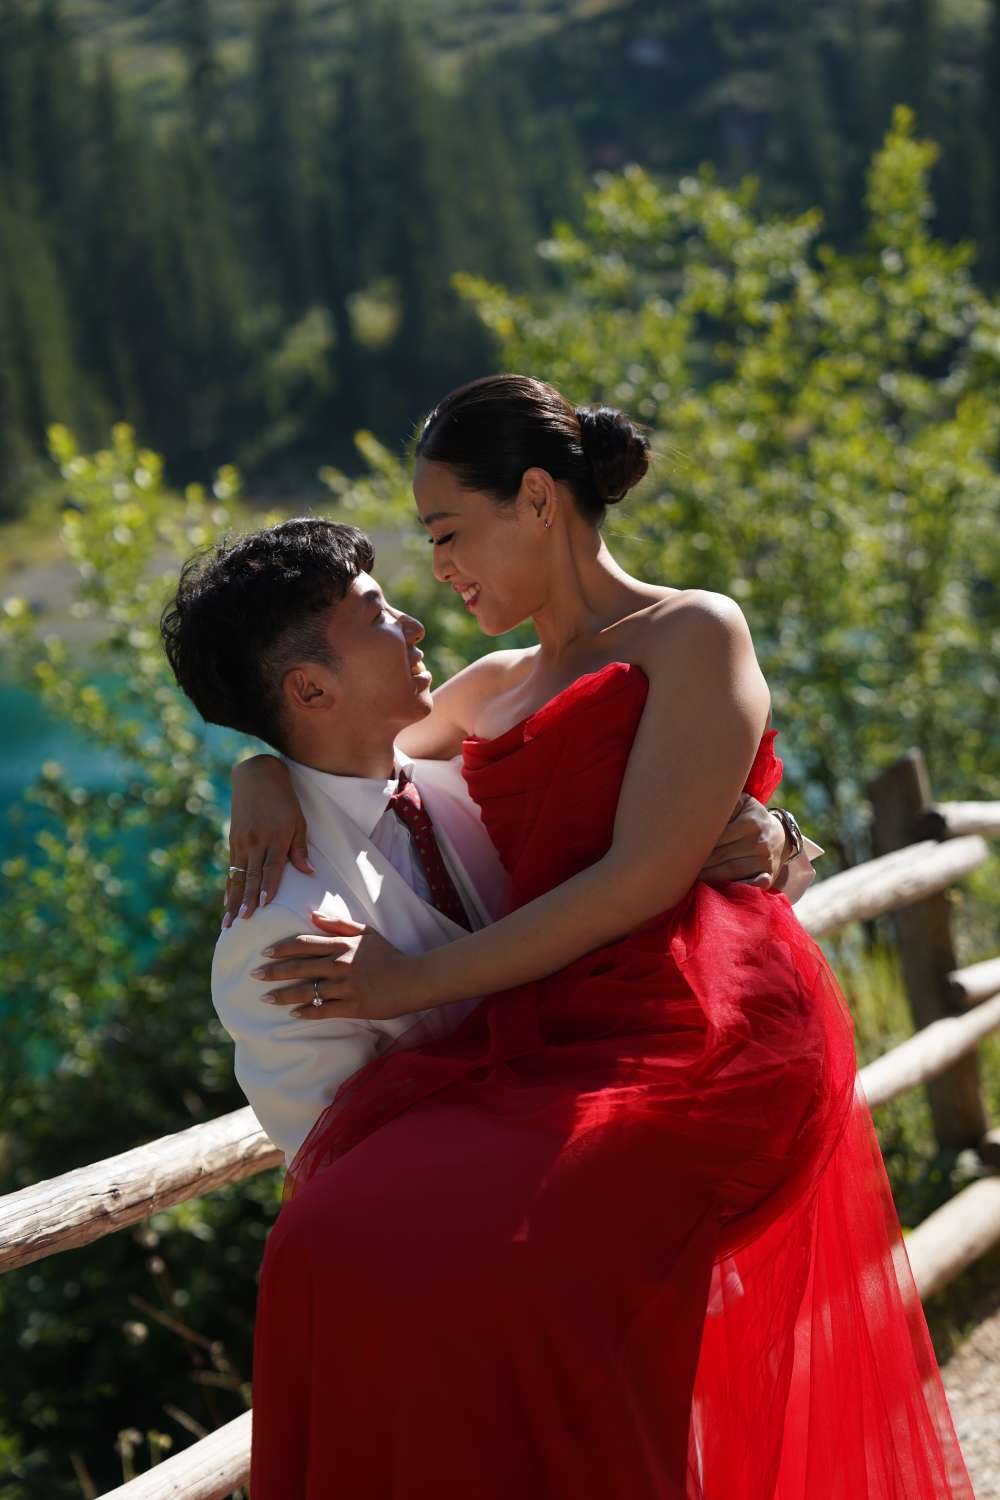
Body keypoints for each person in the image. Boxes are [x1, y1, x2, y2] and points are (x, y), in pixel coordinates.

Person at [219, 377, 973, 1498]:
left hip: (706, 1025)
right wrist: (259, 769)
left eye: (446, 531)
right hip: (563, 1040)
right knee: (333, 1234)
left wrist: (406, 981)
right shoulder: (491, 686)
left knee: (476, 1258)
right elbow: (340, 744)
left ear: (536, 499)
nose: (440, 570)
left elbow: (639, 880)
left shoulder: (690, 629)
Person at [162, 519, 814, 1163]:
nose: (414, 626)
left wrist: (774, 839)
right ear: (309, 688)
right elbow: (348, 1165)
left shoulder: (481, 782)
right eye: (377, 615)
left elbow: (641, 888)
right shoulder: (280, 928)